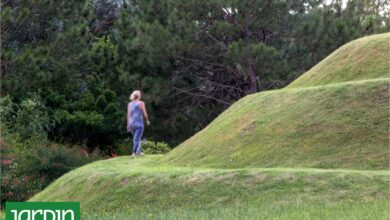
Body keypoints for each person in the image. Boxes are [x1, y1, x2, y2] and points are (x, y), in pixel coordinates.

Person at [127, 90, 150, 158]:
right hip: (139, 124)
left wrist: (128, 125)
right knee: (136, 139)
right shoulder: (141, 103)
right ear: (139, 96)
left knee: (136, 138)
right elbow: (145, 113)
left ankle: (139, 152)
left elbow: (128, 115)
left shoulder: (129, 104)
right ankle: (133, 153)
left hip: (131, 124)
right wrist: (147, 120)